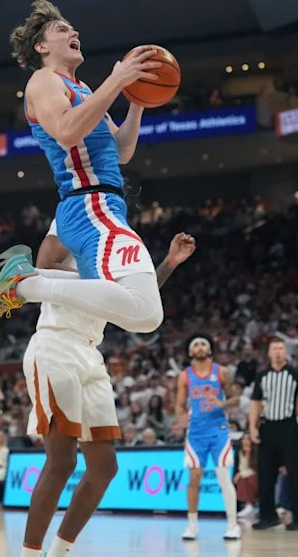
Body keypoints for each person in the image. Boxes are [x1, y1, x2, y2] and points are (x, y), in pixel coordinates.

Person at [0, 0, 165, 336]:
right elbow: (67, 130)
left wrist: (136, 103)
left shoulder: (83, 90)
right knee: (147, 313)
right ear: (41, 46)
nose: (74, 31)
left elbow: (121, 152)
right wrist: (116, 82)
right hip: (90, 204)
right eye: (62, 29)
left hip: (101, 204)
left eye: (72, 28)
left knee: (118, 305)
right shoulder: (44, 81)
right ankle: (22, 284)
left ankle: (30, 275)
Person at [17, 228, 196, 557]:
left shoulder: (119, 241)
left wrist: (169, 264)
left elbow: (135, 302)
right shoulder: (69, 222)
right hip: (56, 342)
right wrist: (99, 281)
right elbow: (41, 266)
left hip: (90, 352)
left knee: (105, 467)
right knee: (62, 462)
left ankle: (58, 552)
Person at [176, 334, 242, 541]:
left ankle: (233, 525)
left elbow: (237, 400)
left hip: (218, 430)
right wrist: (180, 418)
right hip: (196, 432)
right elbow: (179, 404)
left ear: (210, 349)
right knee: (194, 477)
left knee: (223, 476)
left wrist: (221, 404)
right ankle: (192, 525)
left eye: (204, 343)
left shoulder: (221, 372)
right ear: (190, 351)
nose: (200, 347)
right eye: (196, 344)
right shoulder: (184, 376)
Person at [248, 338, 298, 532]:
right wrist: (252, 426)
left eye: (281, 349)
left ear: (286, 353)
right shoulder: (262, 376)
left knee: (293, 473)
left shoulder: (296, 374)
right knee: (265, 474)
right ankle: (268, 516)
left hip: (288, 427)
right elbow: (255, 402)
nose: (278, 352)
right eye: (274, 348)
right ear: (269, 353)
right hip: (268, 427)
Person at [233, 434, 258, 518]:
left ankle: (250, 505)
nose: (246, 441)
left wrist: (240, 474)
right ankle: (248, 505)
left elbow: (254, 469)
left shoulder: (256, 452)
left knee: (250, 478)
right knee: (242, 480)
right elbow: (240, 468)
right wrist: (240, 474)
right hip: (244, 477)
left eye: (248, 439)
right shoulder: (239, 452)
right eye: (244, 439)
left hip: (255, 476)